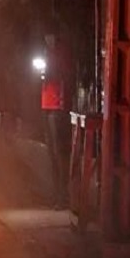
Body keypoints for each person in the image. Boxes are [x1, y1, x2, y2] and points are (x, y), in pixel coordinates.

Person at [39, 29, 73, 208]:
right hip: (47, 105)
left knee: (60, 152)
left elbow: (65, 76)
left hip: (58, 107)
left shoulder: (62, 52)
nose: (47, 38)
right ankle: (56, 194)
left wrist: (50, 72)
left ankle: (63, 195)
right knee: (52, 152)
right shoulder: (45, 51)